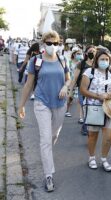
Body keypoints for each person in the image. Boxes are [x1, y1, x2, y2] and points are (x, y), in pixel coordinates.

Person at [18, 30, 71, 192]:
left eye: (55, 43)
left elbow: (69, 80)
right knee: (46, 139)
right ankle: (48, 175)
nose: (52, 46)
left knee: (54, 135)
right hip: (42, 103)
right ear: (43, 44)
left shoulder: (63, 59)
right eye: (49, 43)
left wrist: (65, 86)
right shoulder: (36, 61)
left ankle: (47, 150)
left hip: (60, 104)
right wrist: (21, 105)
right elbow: (28, 84)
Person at [80, 49, 111, 172]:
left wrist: (107, 94)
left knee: (108, 136)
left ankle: (104, 159)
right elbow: (83, 90)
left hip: (108, 106)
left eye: (107, 59)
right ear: (96, 60)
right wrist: (97, 96)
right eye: (102, 59)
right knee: (93, 135)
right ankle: (91, 158)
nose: (105, 61)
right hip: (93, 107)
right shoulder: (89, 72)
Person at [68, 45, 96, 129]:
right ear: (86, 53)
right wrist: (70, 91)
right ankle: (85, 126)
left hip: (94, 90)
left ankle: (90, 125)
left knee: (92, 108)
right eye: (90, 51)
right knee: (84, 107)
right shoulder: (82, 63)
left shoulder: (97, 64)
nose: (92, 53)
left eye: (94, 51)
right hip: (82, 89)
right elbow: (75, 78)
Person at [65, 47, 83, 117]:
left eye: (80, 54)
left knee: (79, 99)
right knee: (70, 97)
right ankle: (67, 110)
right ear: (74, 54)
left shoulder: (81, 62)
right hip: (71, 82)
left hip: (78, 82)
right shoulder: (69, 62)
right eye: (78, 54)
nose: (79, 55)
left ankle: (81, 116)